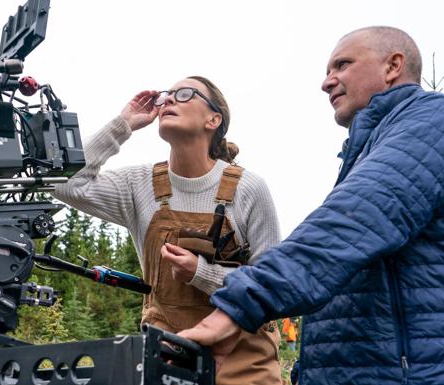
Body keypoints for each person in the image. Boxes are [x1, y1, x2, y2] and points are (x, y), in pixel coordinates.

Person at [179, 26, 444, 385]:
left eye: (341, 65)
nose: (327, 82)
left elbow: (351, 223)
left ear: (393, 66)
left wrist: (238, 308)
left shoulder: (436, 121)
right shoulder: (369, 148)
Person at [53, 76, 282, 384]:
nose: (169, 100)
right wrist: (124, 124)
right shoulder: (140, 184)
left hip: (244, 357)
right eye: (166, 96)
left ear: (214, 119)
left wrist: (201, 273)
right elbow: (64, 184)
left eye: (185, 94)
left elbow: (272, 287)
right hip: (169, 357)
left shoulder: (248, 188)